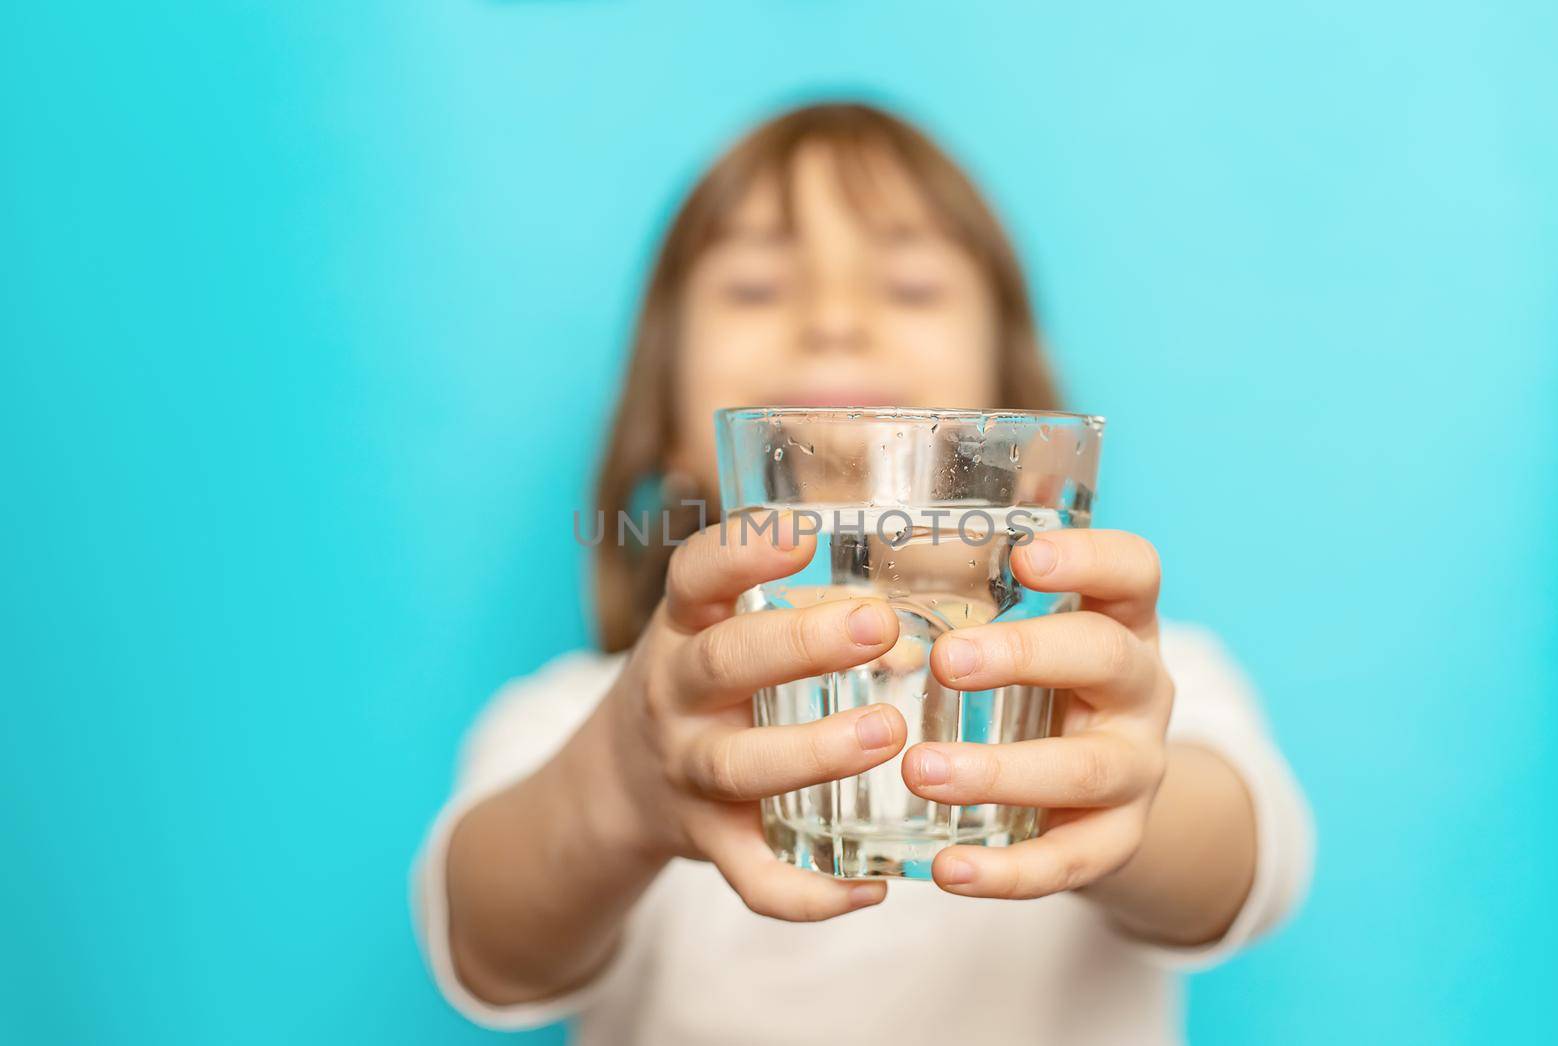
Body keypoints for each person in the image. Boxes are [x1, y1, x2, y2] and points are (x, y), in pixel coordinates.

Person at [412, 102, 1312, 1045]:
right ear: (676, 437)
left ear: (1012, 426)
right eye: (757, 287)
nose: (834, 321)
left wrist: (1125, 784)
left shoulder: (1127, 681)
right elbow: (487, 948)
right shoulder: (582, 718)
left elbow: (1250, 870)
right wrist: (618, 788)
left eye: (911, 286)